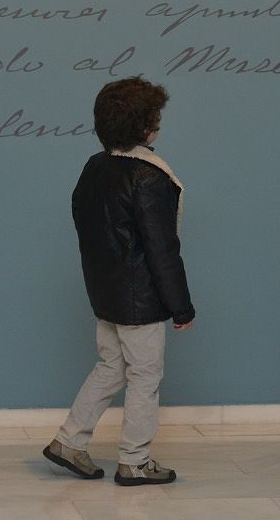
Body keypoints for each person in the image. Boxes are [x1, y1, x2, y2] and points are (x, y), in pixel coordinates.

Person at [43, 77, 195, 486]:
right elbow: (163, 250)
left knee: (111, 366)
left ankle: (69, 441)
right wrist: (181, 306)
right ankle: (135, 459)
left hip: (104, 291)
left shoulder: (95, 166)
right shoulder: (150, 177)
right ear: (146, 129)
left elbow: (83, 222)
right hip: (139, 300)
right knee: (145, 375)